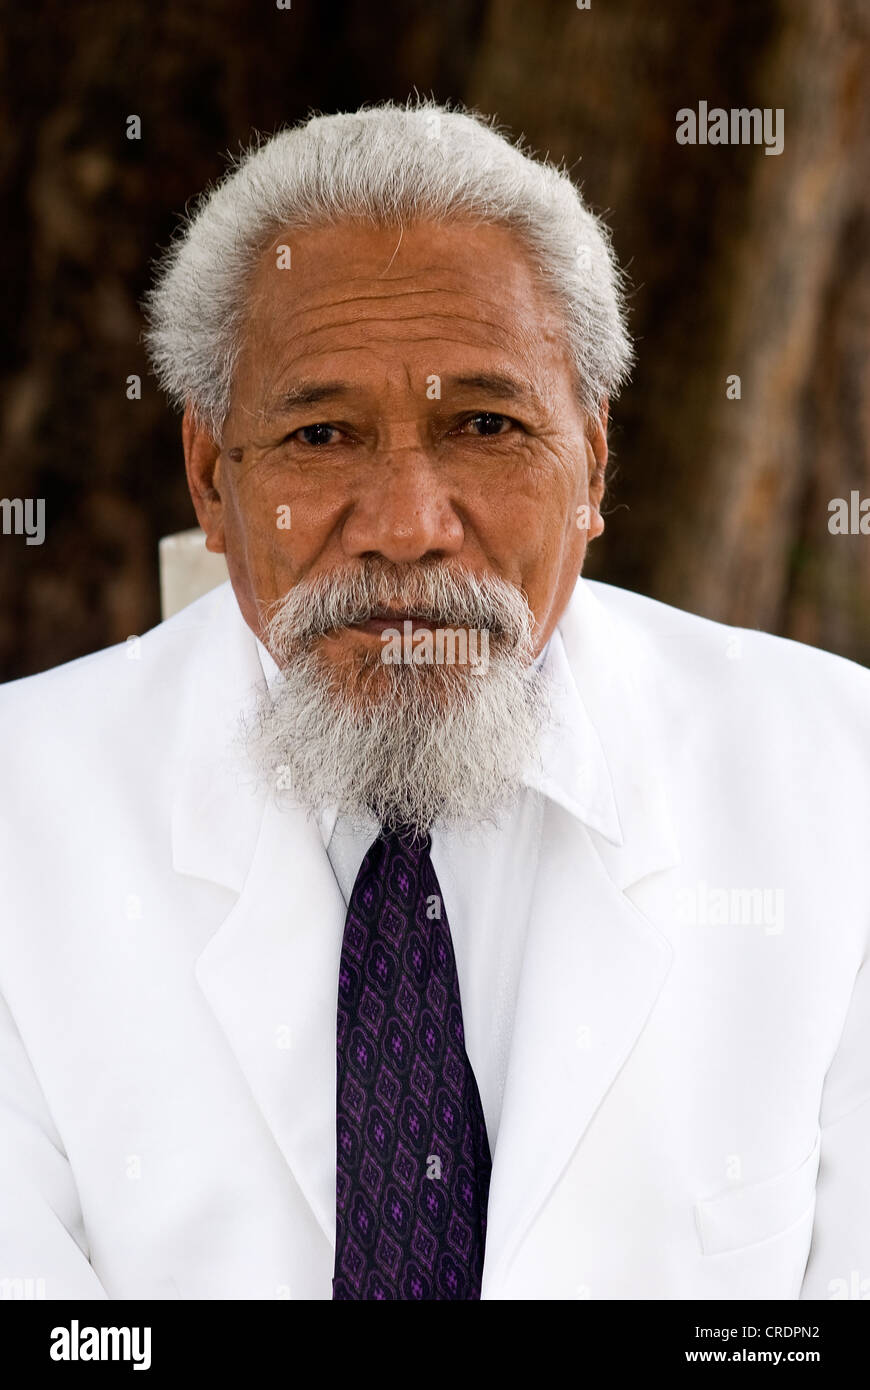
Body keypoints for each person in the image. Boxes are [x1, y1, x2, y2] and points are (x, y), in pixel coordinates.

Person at [1, 100, 867, 1301]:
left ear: (594, 464)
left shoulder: (836, 776)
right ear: (210, 477)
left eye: (486, 426)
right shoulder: (20, 815)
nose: (408, 526)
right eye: (320, 433)